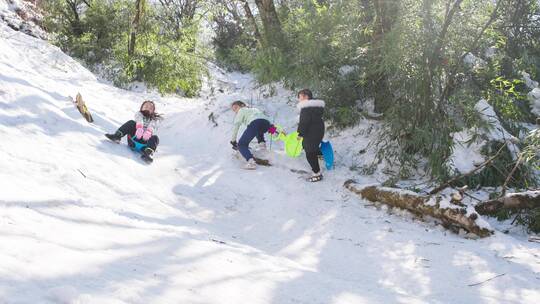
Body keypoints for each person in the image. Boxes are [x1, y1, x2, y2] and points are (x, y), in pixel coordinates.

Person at [230, 101, 273, 170]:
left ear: (242, 105)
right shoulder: (254, 109)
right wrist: (273, 129)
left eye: (235, 108)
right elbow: (262, 119)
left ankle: (251, 162)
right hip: (266, 123)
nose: (235, 111)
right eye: (233, 110)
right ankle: (262, 146)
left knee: (242, 144)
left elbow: (236, 125)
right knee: (258, 129)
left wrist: (233, 140)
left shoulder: (242, 110)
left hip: (255, 123)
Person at [297, 89, 325, 182]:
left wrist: (300, 133)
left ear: (306, 96)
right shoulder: (316, 107)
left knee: (309, 152)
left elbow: (304, 122)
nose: (299, 99)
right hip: (319, 130)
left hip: (311, 132)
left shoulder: (306, 108)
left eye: (300, 97)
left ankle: (317, 173)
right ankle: (321, 156)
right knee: (312, 146)